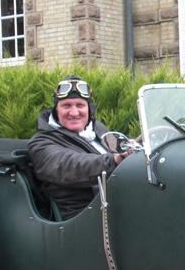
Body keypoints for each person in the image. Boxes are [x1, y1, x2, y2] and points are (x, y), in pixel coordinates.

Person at [28, 75, 135, 219]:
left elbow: (120, 148)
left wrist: (134, 146)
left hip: (120, 204)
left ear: (88, 108)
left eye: (80, 105)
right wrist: (114, 160)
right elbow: (72, 165)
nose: (74, 113)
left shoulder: (97, 130)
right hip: (87, 217)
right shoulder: (41, 143)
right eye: (66, 106)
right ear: (56, 110)